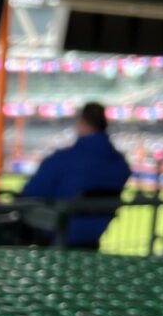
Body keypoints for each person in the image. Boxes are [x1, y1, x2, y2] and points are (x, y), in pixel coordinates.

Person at [21, 102, 131, 248]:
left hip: (56, 237)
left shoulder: (62, 160)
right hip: (93, 239)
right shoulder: (120, 164)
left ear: (82, 123)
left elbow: (30, 194)